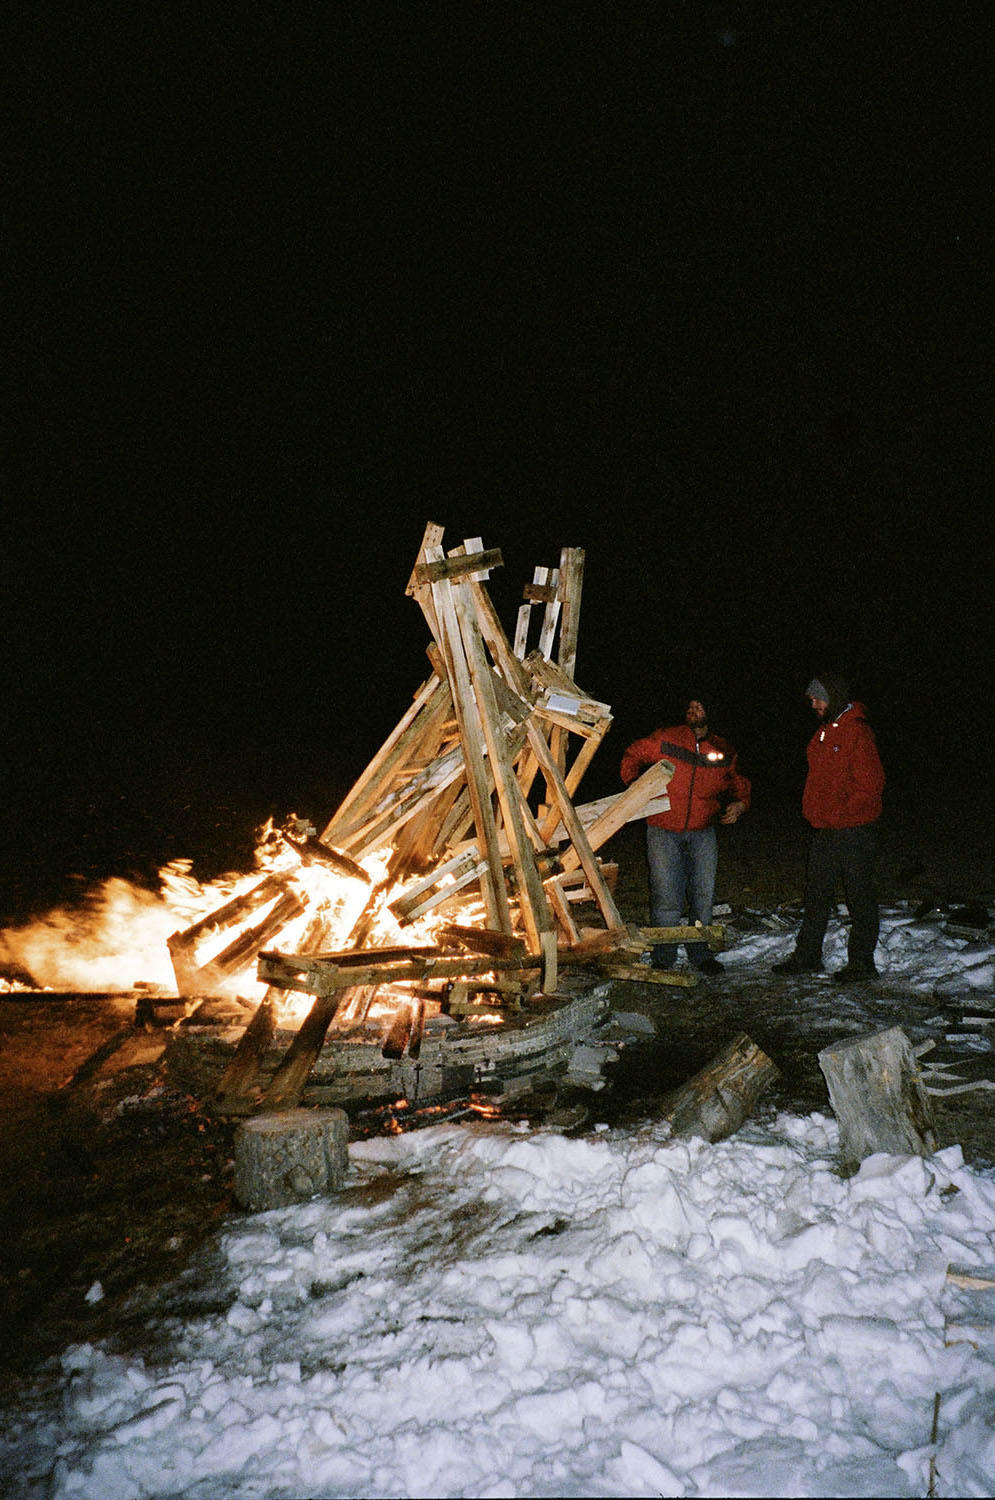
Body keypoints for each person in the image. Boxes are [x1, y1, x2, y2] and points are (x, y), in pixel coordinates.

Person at [620, 697, 750, 973]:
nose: (693, 710)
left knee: (703, 896)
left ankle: (700, 953)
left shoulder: (723, 749)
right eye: (690, 706)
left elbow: (738, 781)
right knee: (666, 896)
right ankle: (663, 956)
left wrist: (740, 804)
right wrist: (635, 788)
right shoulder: (666, 738)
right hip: (662, 829)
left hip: (703, 832)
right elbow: (633, 755)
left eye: (699, 706)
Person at [773, 672, 885, 981]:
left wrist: (841, 814)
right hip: (826, 829)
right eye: (812, 699)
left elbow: (871, 785)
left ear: (833, 697)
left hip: (854, 830)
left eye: (818, 699)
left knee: (859, 896)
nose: (814, 705)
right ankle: (808, 957)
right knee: (816, 894)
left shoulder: (857, 733)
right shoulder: (824, 732)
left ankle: (862, 963)